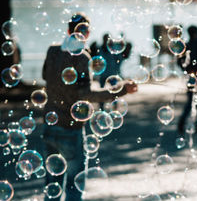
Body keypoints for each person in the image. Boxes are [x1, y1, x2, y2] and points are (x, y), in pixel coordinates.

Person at [42, 13, 137, 201]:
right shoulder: (83, 57)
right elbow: (86, 94)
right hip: (71, 128)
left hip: (50, 125)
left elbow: (46, 75)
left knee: (52, 184)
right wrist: (121, 90)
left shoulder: (52, 51)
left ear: (68, 30)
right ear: (86, 34)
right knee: (73, 186)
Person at [90, 33, 132, 109]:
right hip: (104, 74)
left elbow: (121, 56)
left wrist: (123, 39)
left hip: (113, 74)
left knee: (115, 91)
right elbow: (94, 58)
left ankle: (114, 107)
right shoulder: (100, 49)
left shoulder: (113, 49)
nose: (106, 40)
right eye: (105, 38)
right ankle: (102, 108)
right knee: (101, 92)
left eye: (107, 39)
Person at [177, 25, 197, 134]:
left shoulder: (186, 46)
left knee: (190, 101)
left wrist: (186, 69)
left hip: (190, 77)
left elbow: (180, 62)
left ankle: (182, 124)